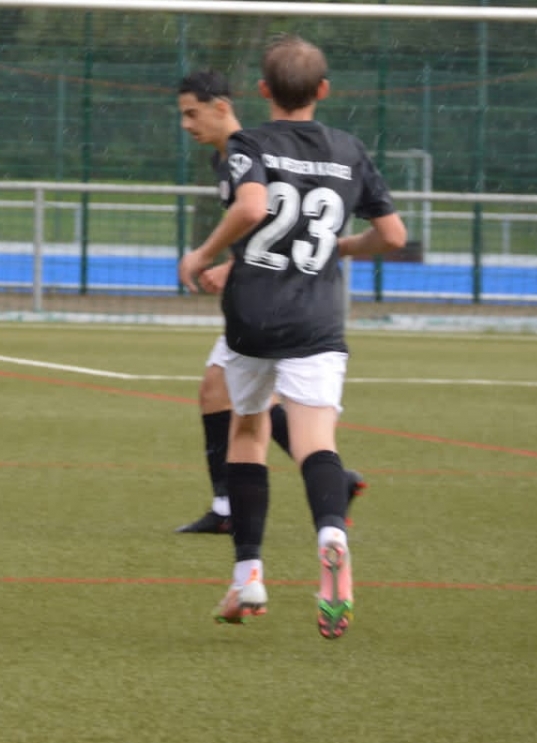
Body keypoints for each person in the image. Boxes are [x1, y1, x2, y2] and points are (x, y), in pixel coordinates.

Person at [175, 40, 406, 638]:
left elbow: (253, 208)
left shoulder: (250, 144)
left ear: (263, 91)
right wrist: (341, 246)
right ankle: (331, 532)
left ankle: (248, 576)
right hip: (317, 317)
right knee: (315, 443)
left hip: (254, 314)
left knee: (247, 432)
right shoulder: (349, 150)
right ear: (323, 90)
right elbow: (394, 236)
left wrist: (202, 253)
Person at [174, 71, 367, 536]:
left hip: (271, 301)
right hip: (271, 294)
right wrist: (236, 262)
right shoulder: (229, 156)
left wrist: (216, 259)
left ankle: (243, 508)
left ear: (222, 107)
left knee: (246, 407)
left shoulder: (249, 150)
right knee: (216, 391)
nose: (186, 124)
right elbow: (271, 228)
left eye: (192, 113)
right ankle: (233, 502)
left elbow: (265, 217)